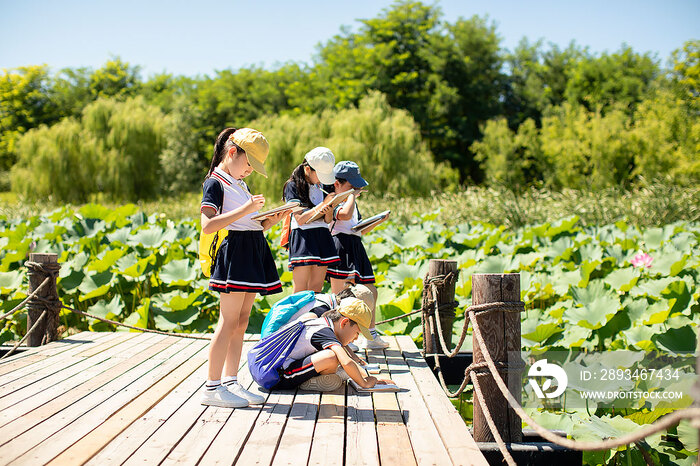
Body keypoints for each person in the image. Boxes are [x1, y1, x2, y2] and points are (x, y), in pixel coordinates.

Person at [200, 127, 286, 408]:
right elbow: (208, 226)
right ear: (232, 152)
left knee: (242, 321)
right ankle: (212, 388)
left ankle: (230, 381)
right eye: (249, 164)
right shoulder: (215, 182)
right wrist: (247, 209)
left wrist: (268, 220)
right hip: (234, 253)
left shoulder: (239, 183)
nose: (250, 171)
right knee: (227, 321)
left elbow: (247, 219)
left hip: (252, 248)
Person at [326, 161, 388, 349]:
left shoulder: (352, 202)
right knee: (339, 294)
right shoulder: (332, 200)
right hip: (339, 245)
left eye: (356, 186)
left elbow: (358, 228)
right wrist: (350, 196)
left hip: (355, 245)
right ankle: (338, 337)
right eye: (350, 185)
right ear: (337, 184)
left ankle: (370, 335)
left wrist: (378, 220)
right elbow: (343, 216)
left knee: (371, 292)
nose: (355, 190)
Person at [272, 298, 395, 392]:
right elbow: (346, 361)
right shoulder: (324, 332)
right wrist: (364, 383)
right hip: (279, 377)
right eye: (357, 333)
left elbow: (349, 359)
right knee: (332, 356)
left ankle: (329, 375)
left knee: (336, 358)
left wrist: (372, 379)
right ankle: (308, 381)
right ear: (345, 323)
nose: (356, 338)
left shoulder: (323, 323)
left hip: (283, 367)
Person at [282, 147, 340, 292]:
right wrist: (323, 204)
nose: (322, 179)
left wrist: (329, 209)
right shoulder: (292, 186)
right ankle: (299, 315)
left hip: (322, 235)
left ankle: (314, 315)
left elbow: (327, 220)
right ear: (307, 169)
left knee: (317, 288)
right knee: (300, 290)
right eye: (320, 174)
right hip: (303, 237)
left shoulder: (324, 186)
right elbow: (300, 219)